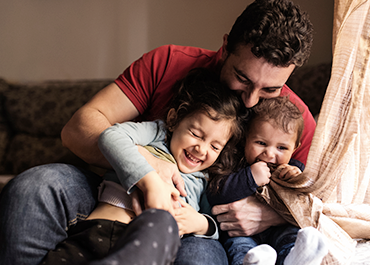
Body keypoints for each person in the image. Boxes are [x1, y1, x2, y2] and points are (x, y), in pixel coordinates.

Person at [0, 1, 314, 264]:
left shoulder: (292, 120)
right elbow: (78, 129)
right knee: (34, 186)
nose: (251, 100)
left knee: (200, 259)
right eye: (242, 78)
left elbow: (321, 198)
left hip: (189, 218)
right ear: (225, 48)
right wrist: (149, 168)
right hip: (112, 190)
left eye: (271, 88)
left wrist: (270, 214)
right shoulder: (167, 63)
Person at [38, 68, 244, 265]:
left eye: (215, 146)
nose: (201, 149)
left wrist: (201, 223)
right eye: (196, 134)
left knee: (162, 222)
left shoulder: (205, 179)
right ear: (173, 120)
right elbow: (111, 136)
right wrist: (150, 181)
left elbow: (216, 223)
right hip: (98, 228)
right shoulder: (158, 134)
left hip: (153, 242)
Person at [207, 97, 328, 265]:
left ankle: (296, 259)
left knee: (291, 235)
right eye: (261, 143)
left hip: (280, 229)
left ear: (295, 148)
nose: (270, 154)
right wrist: (249, 177)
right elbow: (215, 194)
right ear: (245, 140)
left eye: (282, 148)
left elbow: (315, 201)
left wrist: (298, 180)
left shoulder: (293, 169)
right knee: (239, 245)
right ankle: (253, 262)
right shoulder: (234, 165)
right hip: (242, 234)